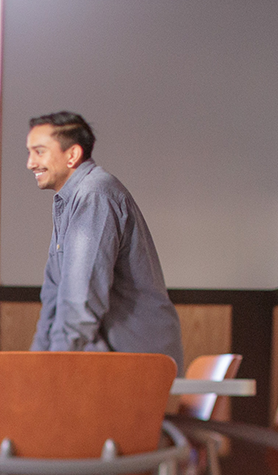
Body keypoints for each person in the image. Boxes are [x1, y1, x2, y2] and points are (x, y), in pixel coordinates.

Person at [25, 111, 183, 366]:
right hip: (107, 362)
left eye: (39, 152)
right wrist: (35, 364)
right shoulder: (69, 200)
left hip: (134, 362)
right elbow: (53, 299)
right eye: (29, 152)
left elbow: (80, 300)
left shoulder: (94, 194)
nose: (30, 163)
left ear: (72, 155)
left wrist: (50, 367)